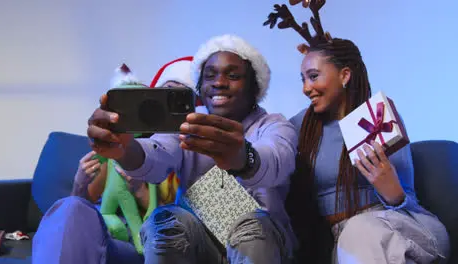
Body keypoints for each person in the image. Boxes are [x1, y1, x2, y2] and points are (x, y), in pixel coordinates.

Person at [264, 1, 450, 263]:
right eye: (303, 79)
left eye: (314, 76)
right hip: (346, 242)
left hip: (404, 226)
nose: (306, 88)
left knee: (360, 232)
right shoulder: (300, 126)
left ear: (345, 75)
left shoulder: (377, 118)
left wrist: (392, 192)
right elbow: (266, 149)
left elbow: (408, 202)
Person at [87, 34, 298, 264]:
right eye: (210, 76)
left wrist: (243, 158)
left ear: (254, 85)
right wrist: (124, 150)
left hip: (264, 243)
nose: (218, 82)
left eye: (233, 75)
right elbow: (157, 152)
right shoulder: (188, 125)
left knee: (249, 221)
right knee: (166, 220)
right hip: (202, 244)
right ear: (200, 86)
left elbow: (277, 159)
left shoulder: (274, 125)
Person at [32, 57, 196, 264]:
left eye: (183, 99)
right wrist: (80, 183)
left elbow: (179, 228)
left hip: (147, 245)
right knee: (70, 207)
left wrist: (140, 191)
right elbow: (82, 205)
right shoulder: (118, 148)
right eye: (167, 94)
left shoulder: (191, 155)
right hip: (108, 239)